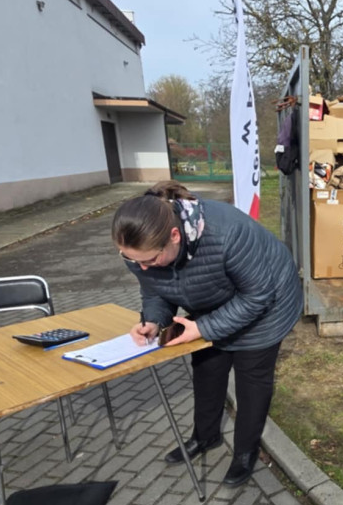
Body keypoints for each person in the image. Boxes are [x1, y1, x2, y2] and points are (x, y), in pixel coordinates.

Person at [112, 181, 302, 487]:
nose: (142, 268)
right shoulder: (141, 252)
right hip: (213, 298)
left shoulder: (228, 232)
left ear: (174, 236)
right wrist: (153, 321)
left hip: (267, 304)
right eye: (132, 260)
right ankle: (205, 437)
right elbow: (155, 290)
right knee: (206, 370)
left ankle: (244, 453)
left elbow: (257, 296)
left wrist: (201, 328)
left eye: (148, 260)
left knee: (251, 381)